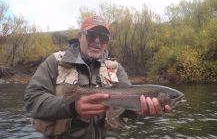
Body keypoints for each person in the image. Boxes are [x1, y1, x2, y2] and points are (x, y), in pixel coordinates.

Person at [24, 15, 171, 139]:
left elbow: (125, 108)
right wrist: (71, 107)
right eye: (92, 35)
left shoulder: (115, 68)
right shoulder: (55, 62)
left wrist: (139, 110)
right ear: (80, 36)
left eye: (103, 37)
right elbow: (32, 100)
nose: (97, 41)